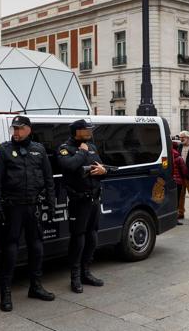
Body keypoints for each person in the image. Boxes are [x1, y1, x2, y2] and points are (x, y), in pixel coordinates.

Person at [0, 115, 56, 312]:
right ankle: (6, 293)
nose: (16, 133)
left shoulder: (39, 149)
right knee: (10, 250)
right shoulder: (3, 151)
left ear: (29, 129)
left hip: (33, 207)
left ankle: (35, 286)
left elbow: (48, 177)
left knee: (36, 247)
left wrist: (51, 202)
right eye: (14, 129)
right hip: (13, 207)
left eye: (19, 129)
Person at [57, 119, 112, 293]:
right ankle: (75, 277)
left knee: (92, 236)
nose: (90, 132)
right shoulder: (65, 148)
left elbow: (101, 167)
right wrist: (81, 152)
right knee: (78, 238)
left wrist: (104, 171)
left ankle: (86, 272)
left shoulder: (92, 147)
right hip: (78, 201)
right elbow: (70, 166)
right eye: (86, 130)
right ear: (77, 132)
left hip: (94, 199)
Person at [171, 141, 188, 225]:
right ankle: (175, 219)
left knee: (170, 200)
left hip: (169, 181)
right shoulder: (178, 157)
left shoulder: (167, 155)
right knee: (176, 200)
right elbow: (184, 170)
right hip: (178, 181)